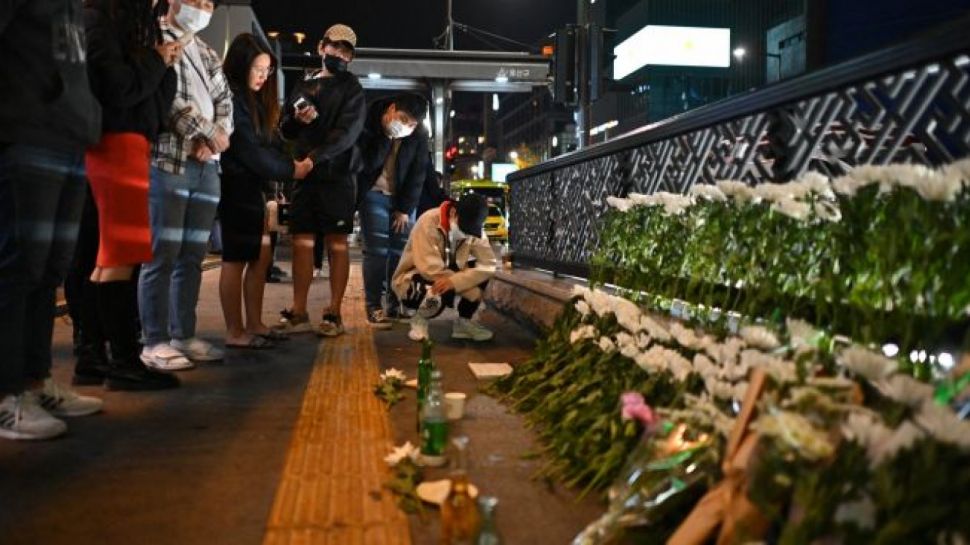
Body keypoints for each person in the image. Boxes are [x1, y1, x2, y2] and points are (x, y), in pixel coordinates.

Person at [0, 0, 105, 440]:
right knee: (19, 268)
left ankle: (36, 381)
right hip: (26, 134)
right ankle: (7, 397)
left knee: (50, 270)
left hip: (70, 138)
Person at [138, 0, 232, 369]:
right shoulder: (154, 37)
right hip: (170, 158)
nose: (201, 7)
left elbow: (225, 99)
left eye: (207, 2)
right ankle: (153, 340)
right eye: (194, 0)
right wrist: (208, 134)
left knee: (193, 254)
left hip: (208, 164)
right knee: (163, 251)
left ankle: (183, 333)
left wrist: (217, 138)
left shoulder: (204, 48)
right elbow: (168, 99)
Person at [219, 33, 312, 349]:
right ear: (241, 65)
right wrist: (292, 169)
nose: (262, 76)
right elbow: (249, 150)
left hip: (258, 190)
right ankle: (234, 330)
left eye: (267, 70)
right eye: (257, 68)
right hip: (236, 186)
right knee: (235, 259)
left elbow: (272, 143)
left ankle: (255, 323)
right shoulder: (232, 97)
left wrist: (294, 132)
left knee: (260, 257)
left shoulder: (256, 101)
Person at [276, 24, 366, 337]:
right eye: (335, 47)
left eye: (346, 51)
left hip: (337, 175)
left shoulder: (352, 88)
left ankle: (334, 312)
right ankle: (298, 311)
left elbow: (347, 135)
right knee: (301, 240)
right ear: (321, 47)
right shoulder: (302, 83)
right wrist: (294, 121)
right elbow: (284, 129)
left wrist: (314, 158)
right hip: (303, 175)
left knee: (337, 243)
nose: (339, 55)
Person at [357, 94, 429, 328]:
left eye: (412, 124)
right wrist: (386, 138)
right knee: (377, 251)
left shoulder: (418, 134)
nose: (406, 126)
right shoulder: (367, 121)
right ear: (391, 108)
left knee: (400, 252)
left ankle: (395, 301)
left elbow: (419, 172)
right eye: (403, 119)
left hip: (402, 200)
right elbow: (364, 164)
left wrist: (405, 208)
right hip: (372, 194)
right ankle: (373, 306)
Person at [392, 194, 497, 343]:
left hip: (448, 272)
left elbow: (488, 264)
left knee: (479, 272)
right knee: (437, 286)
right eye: (464, 227)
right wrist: (467, 288)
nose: (466, 233)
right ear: (454, 213)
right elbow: (429, 268)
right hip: (416, 276)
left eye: (470, 229)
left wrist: (456, 282)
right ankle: (419, 319)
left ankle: (463, 323)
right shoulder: (428, 220)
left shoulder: (474, 229)